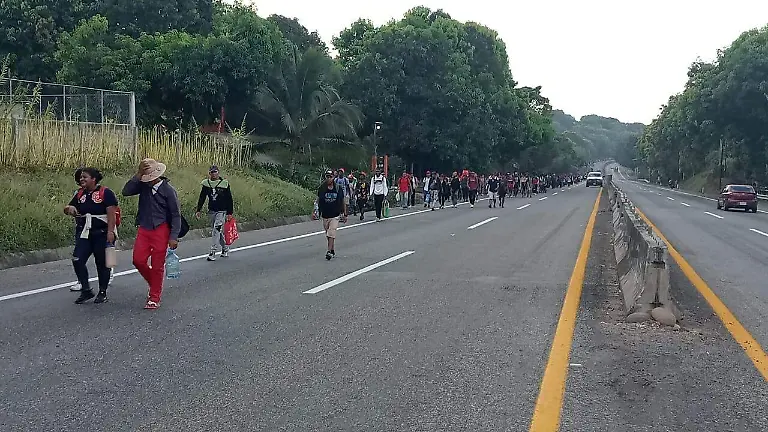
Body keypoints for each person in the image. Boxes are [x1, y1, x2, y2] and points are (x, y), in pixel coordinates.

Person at [122, 158, 182, 310]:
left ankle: (154, 297)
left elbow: (175, 214)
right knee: (138, 260)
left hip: (161, 229)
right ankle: (154, 283)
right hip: (144, 227)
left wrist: (173, 237)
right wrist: (138, 175)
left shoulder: (168, 190)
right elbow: (126, 191)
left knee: (157, 266)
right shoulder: (143, 186)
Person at [64, 167, 118, 304]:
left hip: (102, 233)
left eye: (85, 177)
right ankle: (86, 289)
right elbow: (68, 207)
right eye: (81, 177)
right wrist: (69, 209)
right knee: (77, 259)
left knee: (102, 264)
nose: (81, 179)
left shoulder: (106, 193)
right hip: (85, 233)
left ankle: (102, 292)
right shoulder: (80, 194)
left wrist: (110, 232)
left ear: (93, 179)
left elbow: (111, 214)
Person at [195, 165, 234, 262]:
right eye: (212, 172)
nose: (214, 174)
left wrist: (230, 212)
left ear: (218, 172)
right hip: (212, 210)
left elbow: (229, 199)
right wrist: (198, 210)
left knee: (216, 230)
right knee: (217, 231)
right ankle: (225, 248)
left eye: (215, 172)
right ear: (209, 173)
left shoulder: (224, 184)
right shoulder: (206, 184)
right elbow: (202, 197)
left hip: (222, 211)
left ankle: (212, 252)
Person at [318, 170, 347, 260]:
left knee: (332, 231)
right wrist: (315, 211)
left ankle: (329, 251)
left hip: (335, 214)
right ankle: (332, 249)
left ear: (333, 177)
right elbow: (318, 200)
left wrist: (345, 213)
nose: (329, 178)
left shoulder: (338, 188)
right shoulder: (322, 188)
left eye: (330, 176)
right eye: (327, 177)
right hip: (325, 214)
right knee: (328, 234)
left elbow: (343, 201)